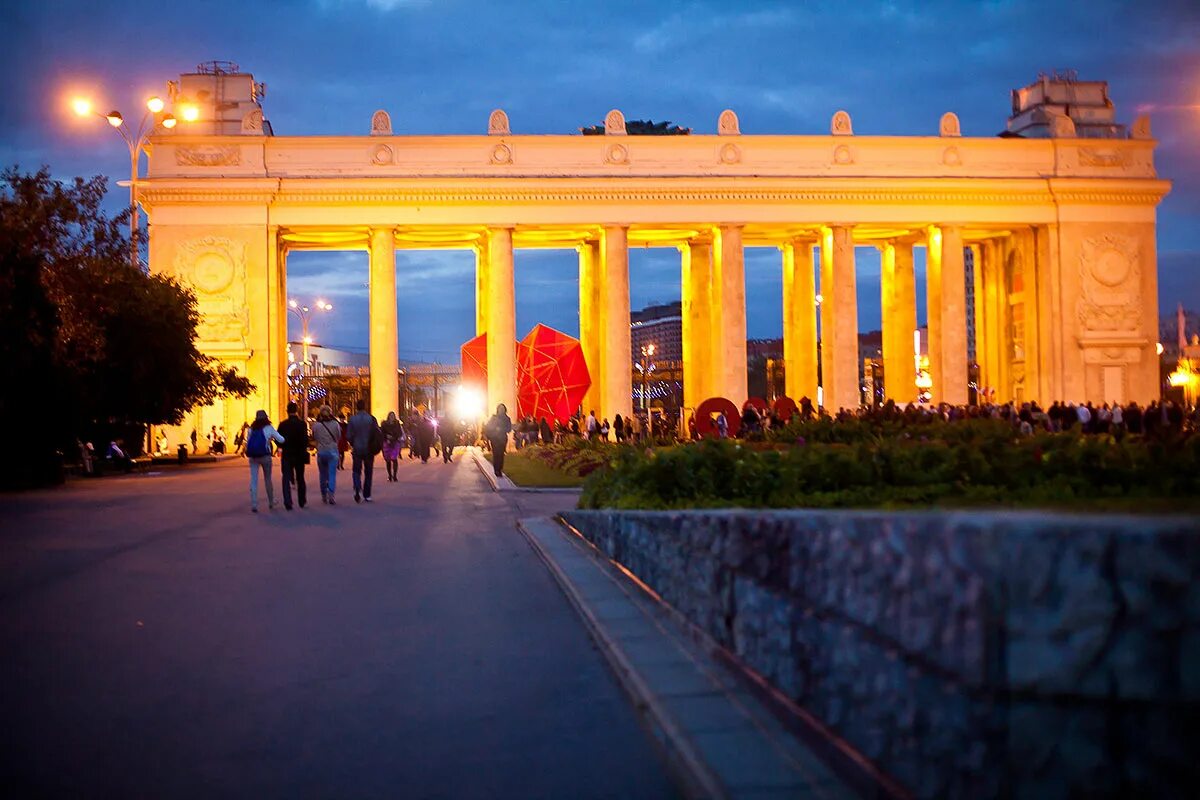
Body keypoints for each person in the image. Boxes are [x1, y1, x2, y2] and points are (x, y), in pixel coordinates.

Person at [244, 410, 285, 513]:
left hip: (253, 457)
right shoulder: (269, 428)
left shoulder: (251, 429)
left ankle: (254, 503)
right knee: (267, 479)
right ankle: (271, 502)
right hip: (265, 456)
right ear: (266, 418)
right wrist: (271, 438)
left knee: (254, 479)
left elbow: (248, 441)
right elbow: (281, 440)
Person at [345, 400, 381, 503]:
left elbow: (349, 436)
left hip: (357, 448)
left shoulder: (352, 419)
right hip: (369, 448)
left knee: (356, 470)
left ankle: (357, 487)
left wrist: (353, 443)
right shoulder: (371, 419)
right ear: (365, 407)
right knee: (368, 472)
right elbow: (376, 433)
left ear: (356, 407)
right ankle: (367, 494)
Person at [277, 401, 310, 510]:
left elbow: (278, 440)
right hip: (300, 454)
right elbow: (306, 440)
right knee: (300, 477)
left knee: (286, 478)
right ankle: (302, 500)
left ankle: (288, 502)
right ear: (297, 411)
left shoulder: (283, 424)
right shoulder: (302, 424)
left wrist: (282, 445)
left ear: (287, 411)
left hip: (287, 454)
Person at [312, 405, 341, 504]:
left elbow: (315, 437)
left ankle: (324, 495)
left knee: (323, 474)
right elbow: (338, 436)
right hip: (332, 451)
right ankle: (331, 494)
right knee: (332, 474)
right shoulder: (335, 424)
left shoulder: (316, 425)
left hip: (321, 451)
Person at [485, 403, 513, 477]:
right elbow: (488, 426)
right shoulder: (494, 418)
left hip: (502, 439)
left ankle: (499, 469)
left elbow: (509, 429)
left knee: (501, 455)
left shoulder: (507, 419)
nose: (501, 410)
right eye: (500, 409)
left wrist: (501, 429)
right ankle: (496, 470)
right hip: (494, 438)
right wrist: (495, 429)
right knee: (496, 454)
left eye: (503, 409)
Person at [381, 411, 403, 482]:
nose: (392, 417)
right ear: (388, 417)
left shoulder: (397, 424)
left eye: (393, 416)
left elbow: (400, 433)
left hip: (395, 443)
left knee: (394, 458)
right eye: (390, 416)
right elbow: (382, 433)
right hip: (387, 443)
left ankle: (395, 476)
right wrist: (386, 437)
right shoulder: (384, 424)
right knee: (388, 460)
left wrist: (394, 437)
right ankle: (390, 476)